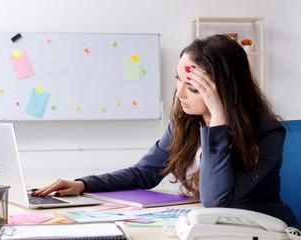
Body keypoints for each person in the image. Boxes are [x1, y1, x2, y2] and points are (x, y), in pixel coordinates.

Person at [33, 34, 298, 226]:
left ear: (224, 91)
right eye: (178, 79)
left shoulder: (268, 132)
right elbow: (144, 173)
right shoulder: (187, 122)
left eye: (193, 87)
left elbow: (218, 199)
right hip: (206, 224)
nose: (179, 92)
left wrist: (218, 119)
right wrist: (83, 184)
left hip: (258, 227)